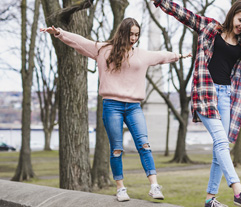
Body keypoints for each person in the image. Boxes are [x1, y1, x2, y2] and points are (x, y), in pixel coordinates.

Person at [150, 0, 241, 206]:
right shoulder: (210, 27)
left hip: (227, 97)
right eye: (240, 20)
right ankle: (239, 192)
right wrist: (162, 2)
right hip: (206, 93)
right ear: (232, 16)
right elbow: (185, 15)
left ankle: (210, 199)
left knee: (221, 149)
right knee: (221, 142)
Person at [40, 17, 191, 202]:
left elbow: (161, 56)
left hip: (134, 107)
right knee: (117, 149)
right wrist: (59, 33)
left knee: (144, 144)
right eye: (131, 34)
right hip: (112, 105)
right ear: (123, 33)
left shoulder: (141, 54)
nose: (134, 38)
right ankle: (120, 188)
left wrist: (180, 56)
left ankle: (154, 186)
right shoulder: (103, 50)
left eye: (136, 35)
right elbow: (80, 41)